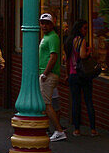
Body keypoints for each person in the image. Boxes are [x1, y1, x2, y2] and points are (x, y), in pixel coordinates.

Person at [64, 19, 97, 136]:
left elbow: (67, 60)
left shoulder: (69, 42)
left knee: (75, 102)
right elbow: (82, 55)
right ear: (79, 29)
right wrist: (89, 51)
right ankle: (93, 129)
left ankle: (76, 129)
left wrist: (67, 74)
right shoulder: (81, 41)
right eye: (85, 28)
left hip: (73, 74)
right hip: (83, 75)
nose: (86, 31)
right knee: (88, 101)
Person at [39, 13, 66, 141]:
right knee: (50, 102)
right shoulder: (47, 37)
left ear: (52, 24)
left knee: (46, 103)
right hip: (47, 75)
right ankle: (44, 128)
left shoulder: (53, 37)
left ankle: (59, 130)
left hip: (48, 75)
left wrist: (45, 73)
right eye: (42, 23)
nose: (44, 26)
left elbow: (53, 57)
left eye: (47, 23)